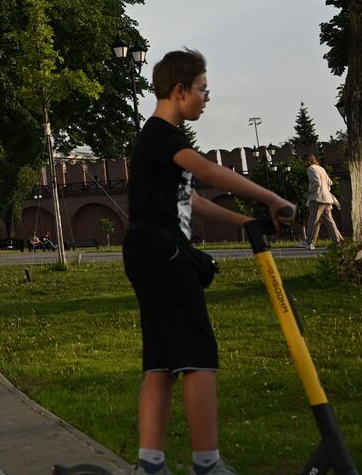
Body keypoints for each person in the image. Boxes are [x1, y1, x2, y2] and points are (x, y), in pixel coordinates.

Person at [124, 49, 294, 475]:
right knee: (198, 357)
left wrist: (245, 222)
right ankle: (207, 464)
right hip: (163, 253)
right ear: (180, 91)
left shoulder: (158, 141)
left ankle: (150, 464)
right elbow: (205, 171)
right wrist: (270, 196)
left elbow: (189, 197)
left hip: (147, 250)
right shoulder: (164, 135)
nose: (206, 98)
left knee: (161, 360)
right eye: (202, 89)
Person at [301, 153, 344, 249]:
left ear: (307, 161)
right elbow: (330, 182)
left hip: (317, 198)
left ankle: (309, 242)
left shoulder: (311, 169)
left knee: (313, 220)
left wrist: (308, 192)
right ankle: (338, 242)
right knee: (329, 221)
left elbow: (317, 183)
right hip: (327, 198)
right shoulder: (321, 168)